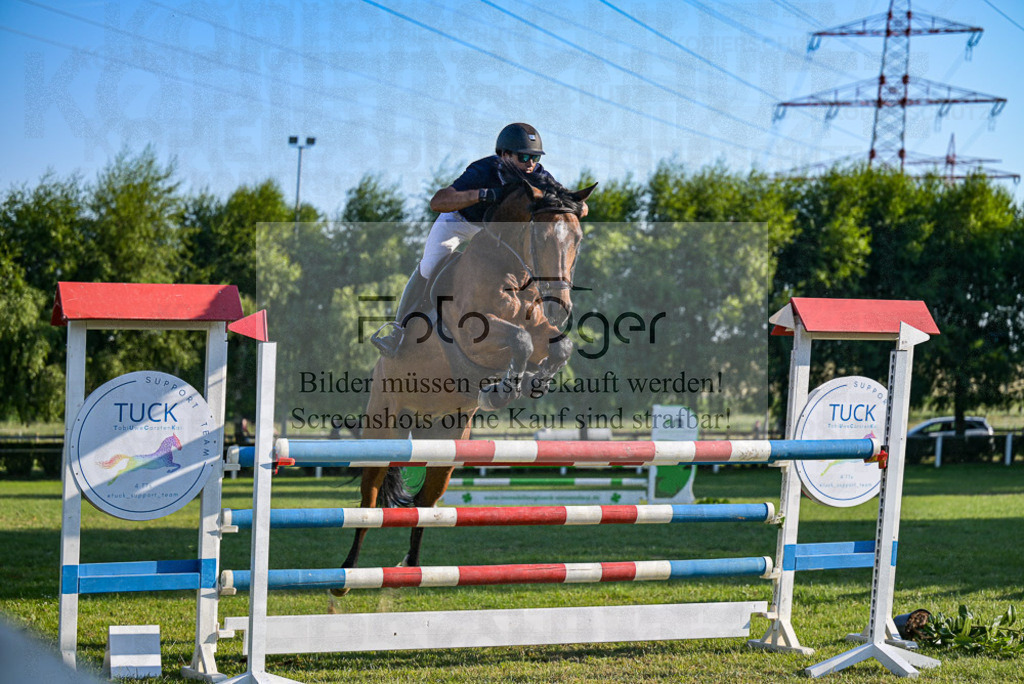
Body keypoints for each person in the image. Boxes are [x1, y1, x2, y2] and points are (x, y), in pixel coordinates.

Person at [371, 122, 588, 357]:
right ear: (504, 154)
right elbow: (438, 201)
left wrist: (575, 206)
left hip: (492, 234)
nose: (530, 164)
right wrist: (483, 194)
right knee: (429, 265)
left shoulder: (539, 175)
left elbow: (579, 207)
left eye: (534, 157)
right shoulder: (484, 170)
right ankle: (398, 331)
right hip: (459, 223)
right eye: (524, 156)